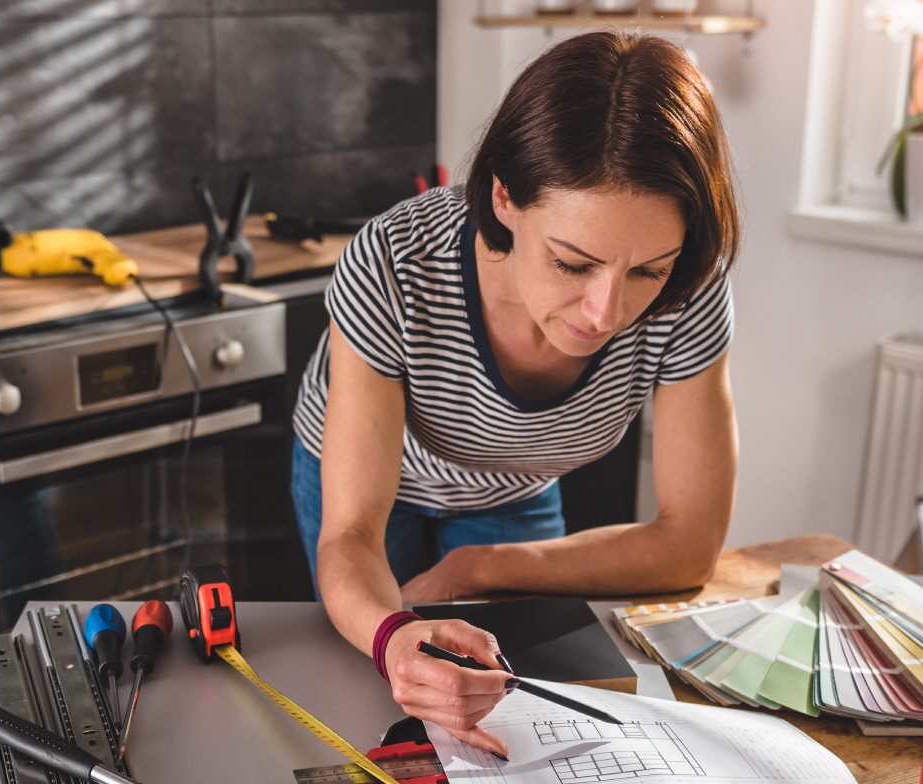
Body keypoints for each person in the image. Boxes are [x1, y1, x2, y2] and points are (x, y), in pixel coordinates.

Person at [289, 31, 739, 757]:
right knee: (381, 693)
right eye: (572, 262)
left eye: (647, 271)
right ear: (504, 196)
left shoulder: (690, 288)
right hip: (379, 486)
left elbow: (689, 543)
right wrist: (392, 634)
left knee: (513, 706)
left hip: (515, 483)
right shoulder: (392, 263)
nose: (606, 313)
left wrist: (482, 565)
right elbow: (349, 537)